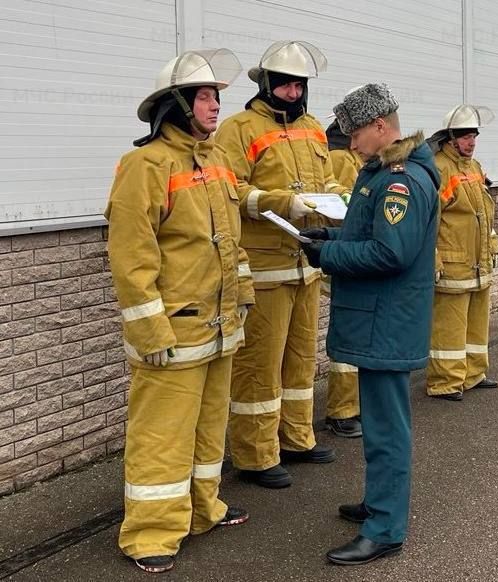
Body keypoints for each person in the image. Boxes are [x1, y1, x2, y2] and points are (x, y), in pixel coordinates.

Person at [105, 49, 253, 573]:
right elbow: (131, 256)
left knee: (209, 429)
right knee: (161, 435)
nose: (215, 106)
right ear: (177, 105)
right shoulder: (144, 166)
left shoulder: (216, 162)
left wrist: (243, 294)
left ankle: (203, 509)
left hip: (219, 327)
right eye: (205, 97)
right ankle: (151, 532)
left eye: (216, 97)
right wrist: (149, 329)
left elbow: (230, 240)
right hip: (173, 332)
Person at [299, 83, 440, 565]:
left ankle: (385, 529)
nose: (351, 143)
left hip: (387, 321)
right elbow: (369, 231)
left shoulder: (401, 181)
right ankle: (379, 501)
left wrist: (328, 255)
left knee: (386, 429)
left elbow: (389, 252)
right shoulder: (380, 172)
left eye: (356, 134)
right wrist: (330, 235)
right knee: (380, 423)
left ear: (381, 127)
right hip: (380, 319)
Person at [215, 41, 347, 488]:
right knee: (259, 366)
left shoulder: (312, 128)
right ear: (267, 83)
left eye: (300, 85)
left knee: (300, 360)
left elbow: (325, 179)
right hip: (266, 269)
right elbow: (231, 190)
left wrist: (339, 198)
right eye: (286, 84)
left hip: (306, 265)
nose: (294, 92)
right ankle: (255, 456)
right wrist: (282, 202)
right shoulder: (238, 129)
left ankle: (296, 439)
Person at [425, 105, 498, 401]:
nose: (472, 142)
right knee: (449, 327)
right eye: (466, 137)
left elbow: (485, 211)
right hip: (453, 262)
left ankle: (473, 374)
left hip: (478, 262)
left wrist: (492, 245)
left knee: (477, 323)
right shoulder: (439, 168)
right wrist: (432, 257)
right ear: (451, 138)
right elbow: (430, 218)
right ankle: (445, 382)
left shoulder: (474, 167)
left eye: (474, 136)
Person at [321, 118, 365, 438]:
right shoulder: (340, 159)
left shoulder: (352, 158)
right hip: (347, 259)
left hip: (353, 257)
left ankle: (352, 406)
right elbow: (343, 208)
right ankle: (342, 410)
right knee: (350, 336)